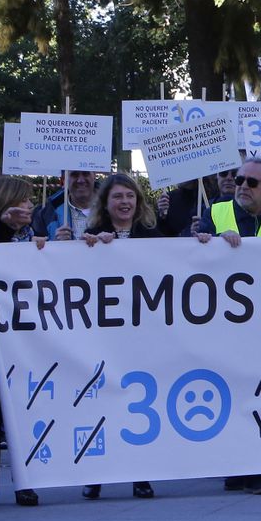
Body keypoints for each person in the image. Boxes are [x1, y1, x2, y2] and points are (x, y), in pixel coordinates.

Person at [197, 158, 261, 494]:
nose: (242, 186)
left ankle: (258, 471)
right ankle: (237, 468)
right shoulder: (216, 213)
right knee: (232, 396)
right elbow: (184, 252)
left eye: (252, 182)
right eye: (239, 180)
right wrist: (207, 241)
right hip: (226, 326)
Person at [77, 173, 163, 500]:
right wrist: (85, 247)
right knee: (103, 403)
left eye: (130, 196)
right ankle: (97, 474)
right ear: (106, 203)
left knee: (140, 405)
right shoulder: (90, 236)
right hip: (106, 336)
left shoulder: (154, 235)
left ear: (138, 202)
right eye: (118, 197)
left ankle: (140, 474)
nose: (125, 202)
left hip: (143, 335)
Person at [0, 176, 46, 507]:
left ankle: (25, 479)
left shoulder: (32, 237)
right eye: (24, 200)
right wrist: (2, 231)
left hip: (26, 337)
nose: (31, 206)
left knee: (23, 411)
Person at [38, 170, 97, 239]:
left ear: (94, 176)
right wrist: (55, 244)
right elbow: (33, 246)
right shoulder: (46, 214)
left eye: (86, 174)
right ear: (64, 180)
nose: (81, 180)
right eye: (74, 175)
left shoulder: (109, 210)